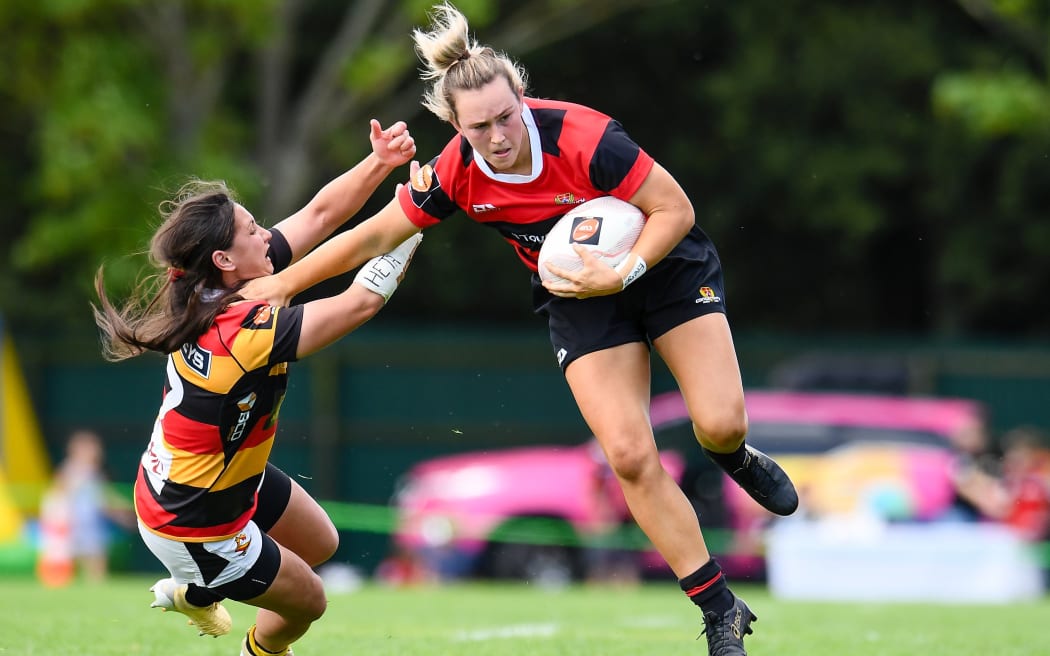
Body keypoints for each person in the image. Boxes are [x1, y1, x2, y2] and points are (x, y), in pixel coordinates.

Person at [240, 4, 798, 653]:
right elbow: (374, 235)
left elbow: (675, 207)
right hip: (579, 298)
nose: (500, 134)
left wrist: (623, 268)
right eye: (480, 125)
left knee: (720, 423)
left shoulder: (586, 138)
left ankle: (735, 456)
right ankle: (719, 609)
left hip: (663, 263)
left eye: (508, 115)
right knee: (627, 454)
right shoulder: (458, 169)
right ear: (456, 125)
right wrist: (281, 284)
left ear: (522, 99)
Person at [92, 118, 421, 656]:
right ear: (223, 260)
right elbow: (360, 301)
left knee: (320, 542)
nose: (266, 234)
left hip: (210, 484)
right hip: (192, 522)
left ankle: (198, 590)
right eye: (251, 230)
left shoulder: (230, 282)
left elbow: (319, 215)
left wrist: (380, 162)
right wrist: (415, 222)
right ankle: (255, 650)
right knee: (309, 602)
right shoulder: (236, 332)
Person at [36, 429, 133, 586]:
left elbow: (103, 498)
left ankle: (95, 590)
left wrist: (121, 513)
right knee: (69, 562)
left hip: (90, 525)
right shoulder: (69, 470)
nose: (95, 452)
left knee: (96, 560)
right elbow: (57, 496)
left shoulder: (94, 473)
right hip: (73, 525)